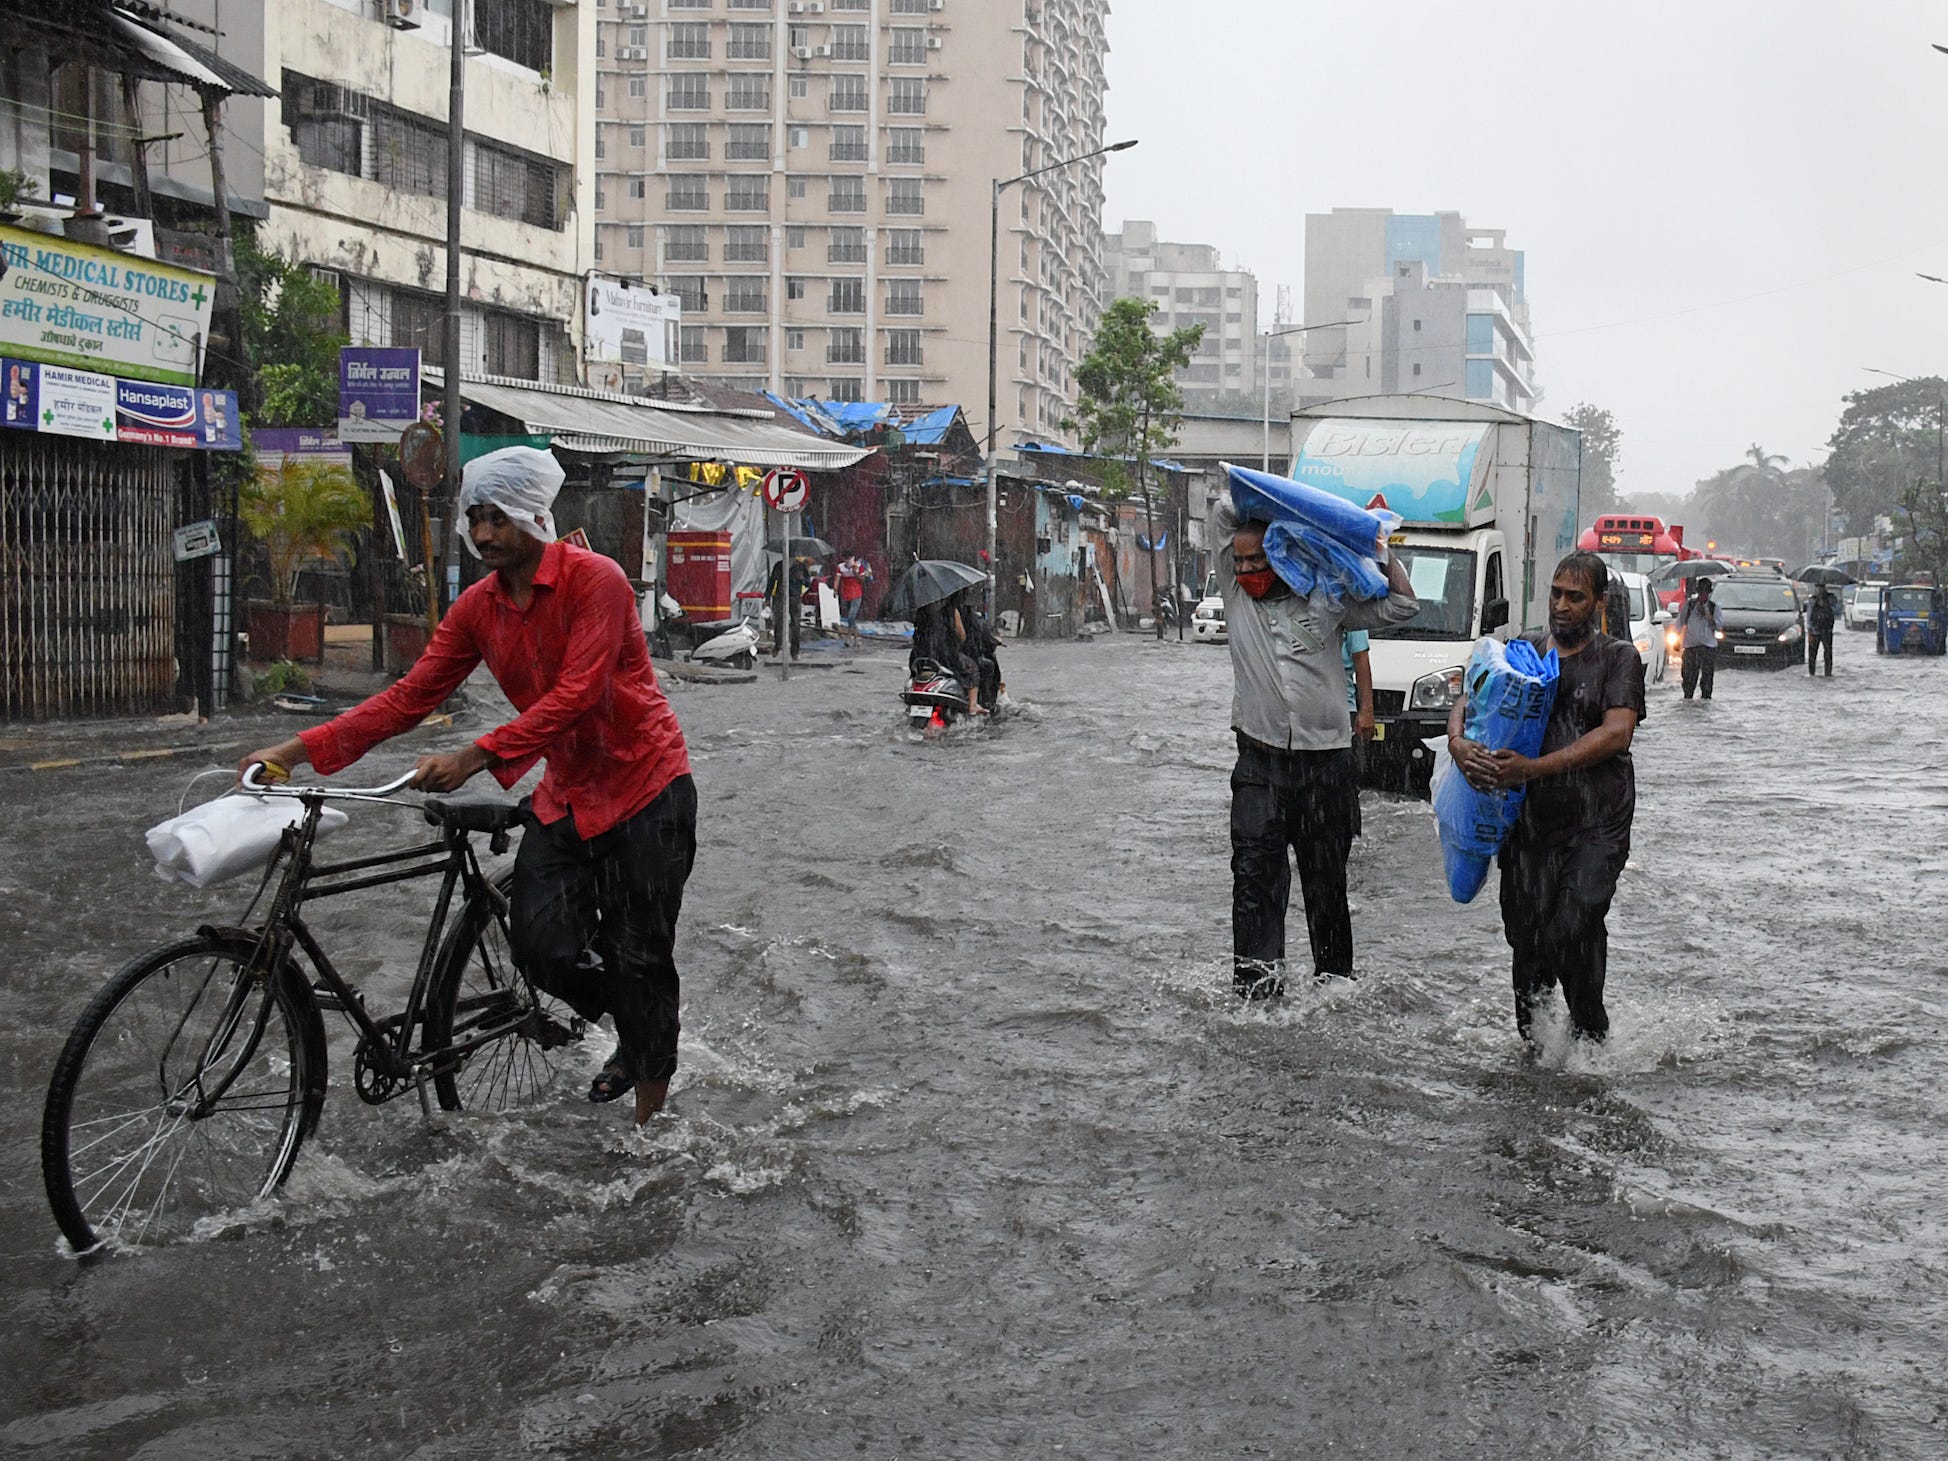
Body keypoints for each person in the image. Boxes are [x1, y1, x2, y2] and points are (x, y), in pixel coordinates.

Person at [238, 447, 696, 1124]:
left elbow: (578, 693)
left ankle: (649, 1126)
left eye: (497, 518)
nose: (483, 534)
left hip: (647, 789)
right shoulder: (477, 609)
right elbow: (407, 698)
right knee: (537, 945)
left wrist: (477, 755)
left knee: (642, 953)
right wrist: (295, 751)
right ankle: (639, 1024)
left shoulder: (596, 581)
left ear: (532, 515)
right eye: (475, 519)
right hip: (568, 793)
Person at [1214, 497, 1419, 999]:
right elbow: (1223, 508)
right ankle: (1257, 993)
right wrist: (1288, 504)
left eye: (1258, 561)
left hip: (1326, 765)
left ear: (1283, 555)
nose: (1246, 571)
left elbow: (1403, 605)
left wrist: (1376, 544)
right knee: (1254, 882)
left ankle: (1334, 990)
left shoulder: (1327, 599)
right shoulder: (1237, 598)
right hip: (1259, 763)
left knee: (1326, 885)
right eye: (1239, 563)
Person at [1447, 551, 1645, 1045]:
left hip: (1596, 826)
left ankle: (1589, 1045)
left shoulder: (1618, 658)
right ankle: (1535, 1064)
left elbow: (1617, 733)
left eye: (1575, 597)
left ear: (1599, 603)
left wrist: (1531, 768)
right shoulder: (1523, 651)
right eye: (1556, 593)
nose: (1561, 605)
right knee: (1528, 944)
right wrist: (1458, 744)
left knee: (1573, 924)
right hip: (1530, 827)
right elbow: (1466, 701)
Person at [1677, 577, 1722, 700]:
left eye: (1705, 593)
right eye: (1701, 592)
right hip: (1691, 646)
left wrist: (1707, 614)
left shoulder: (1714, 608)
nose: (1703, 595)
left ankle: (1706, 700)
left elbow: (1718, 627)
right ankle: (1688, 699)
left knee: (1707, 678)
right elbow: (1680, 622)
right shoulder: (1690, 605)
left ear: (1709, 593)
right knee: (1688, 678)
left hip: (1708, 647)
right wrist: (1676, 640)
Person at [765, 554, 813, 659]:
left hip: (794, 597)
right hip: (780, 596)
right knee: (779, 622)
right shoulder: (779, 565)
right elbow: (772, 581)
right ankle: (778, 645)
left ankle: (795, 652)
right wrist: (767, 597)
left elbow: (808, 583)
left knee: (795, 624)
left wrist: (801, 579)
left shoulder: (801, 567)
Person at [1342, 628, 1375, 746]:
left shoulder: (1344, 610)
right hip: (1299, 709)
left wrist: (1367, 710)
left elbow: (1361, 658)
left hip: (1342, 708)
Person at [835, 554, 874, 636]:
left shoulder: (859, 566)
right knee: (851, 619)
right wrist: (835, 590)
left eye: (849, 559)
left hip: (857, 594)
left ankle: (848, 638)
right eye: (845, 559)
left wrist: (855, 572)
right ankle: (857, 639)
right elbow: (837, 579)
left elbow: (862, 580)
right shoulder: (840, 567)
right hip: (846, 595)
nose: (847, 561)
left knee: (851, 617)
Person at [1807, 583, 1836, 677]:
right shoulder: (1812, 599)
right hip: (1818, 630)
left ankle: (1827, 673)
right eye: (1818, 587)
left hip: (1826, 630)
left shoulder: (1830, 598)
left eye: (1821, 587)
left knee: (1827, 653)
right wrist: (1810, 631)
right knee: (1813, 654)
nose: (1819, 589)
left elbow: (1835, 609)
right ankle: (1813, 673)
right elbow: (1809, 615)